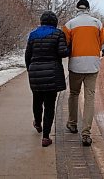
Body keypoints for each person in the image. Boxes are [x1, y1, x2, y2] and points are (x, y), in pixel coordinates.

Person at [62, 0, 104, 147]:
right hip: (93, 65)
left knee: (74, 94)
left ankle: (72, 123)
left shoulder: (69, 24)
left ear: (77, 9)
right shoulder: (97, 23)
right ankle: (86, 133)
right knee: (89, 98)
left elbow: (65, 44)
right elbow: (103, 43)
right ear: (88, 8)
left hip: (75, 65)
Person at [25, 11, 69, 147]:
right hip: (52, 73)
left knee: (37, 100)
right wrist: (70, 48)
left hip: (35, 71)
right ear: (54, 22)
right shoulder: (58, 34)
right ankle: (45, 137)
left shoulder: (33, 35)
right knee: (50, 105)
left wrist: (30, 69)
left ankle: (37, 122)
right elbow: (62, 52)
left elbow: (28, 55)